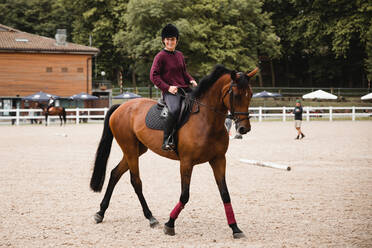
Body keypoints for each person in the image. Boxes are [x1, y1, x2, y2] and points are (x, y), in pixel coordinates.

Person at [150, 24, 197, 150]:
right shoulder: (160, 56)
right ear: (164, 41)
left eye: (173, 39)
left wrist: (191, 80)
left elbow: (183, 73)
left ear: (177, 40)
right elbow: (153, 76)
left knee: (199, 102)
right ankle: (166, 140)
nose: (170, 42)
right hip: (170, 92)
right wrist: (167, 87)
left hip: (184, 89)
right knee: (175, 110)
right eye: (168, 39)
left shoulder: (180, 55)